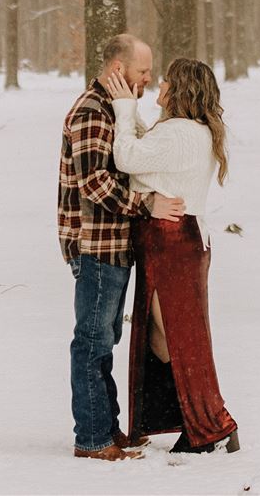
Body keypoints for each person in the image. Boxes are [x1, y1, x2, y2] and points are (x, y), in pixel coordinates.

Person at [105, 56, 239, 455]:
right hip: (180, 240)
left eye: (165, 82)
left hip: (172, 241)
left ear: (179, 90)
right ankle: (194, 419)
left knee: (182, 340)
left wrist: (124, 109)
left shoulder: (179, 132)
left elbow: (126, 158)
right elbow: (150, 154)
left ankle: (213, 426)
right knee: (164, 337)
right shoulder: (190, 131)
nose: (158, 87)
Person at [58, 33, 183, 461]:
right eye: (143, 71)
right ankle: (93, 439)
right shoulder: (92, 112)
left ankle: (107, 429)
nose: (149, 78)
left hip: (113, 244)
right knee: (91, 342)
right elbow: (95, 183)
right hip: (96, 245)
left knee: (104, 338)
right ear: (118, 70)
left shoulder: (111, 109)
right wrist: (147, 204)